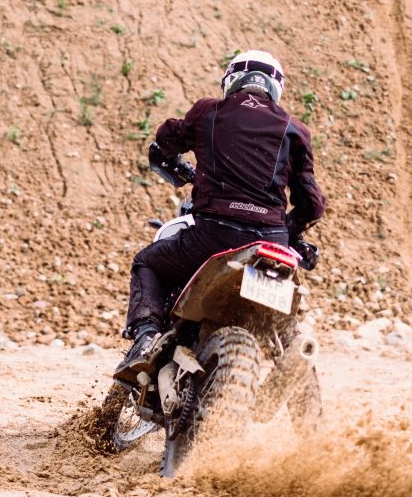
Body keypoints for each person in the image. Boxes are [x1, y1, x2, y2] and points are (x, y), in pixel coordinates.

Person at [114, 50, 326, 383]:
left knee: (147, 263)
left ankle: (146, 338)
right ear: (276, 87)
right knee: (287, 322)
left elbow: (167, 138)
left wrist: (170, 157)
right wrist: (287, 230)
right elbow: (312, 204)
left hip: (214, 236)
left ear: (231, 80)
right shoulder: (295, 130)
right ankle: (303, 390)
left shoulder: (208, 112)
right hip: (272, 243)